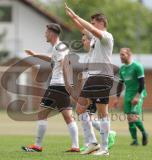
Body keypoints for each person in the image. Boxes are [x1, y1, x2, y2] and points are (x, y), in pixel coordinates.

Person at [21, 23, 80, 152]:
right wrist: (35, 55)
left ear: (52, 33)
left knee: (41, 114)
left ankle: (37, 146)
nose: (44, 34)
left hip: (56, 86)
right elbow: (51, 60)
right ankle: (75, 146)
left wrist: (67, 83)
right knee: (68, 117)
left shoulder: (59, 47)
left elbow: (64, 64)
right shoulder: (58, 47)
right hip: (62, 86)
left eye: (46, 32)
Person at [65, 3, 114, 156]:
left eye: (94, 22)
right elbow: (83, 29)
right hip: (93, 78)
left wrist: (77, 16)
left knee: (102, 113)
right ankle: (92, 143)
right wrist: (73, 17)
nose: (91, 25)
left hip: (102, 77)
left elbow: (91, 30)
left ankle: (105, 148)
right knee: (80, 109)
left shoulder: (106, 36)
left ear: (101, 23)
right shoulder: (94, 39)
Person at [79, 34, 116, 152]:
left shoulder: (96, 53)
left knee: (95, 114)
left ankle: (98, 143)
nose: (82, 43)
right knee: (85, 113)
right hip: (90, 86)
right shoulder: (88, 57)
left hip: (98, 84)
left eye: (84, 40)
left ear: (91, 41)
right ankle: (93, 141)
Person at [113, 48, 148, 146]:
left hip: (138, 93)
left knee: (133, 116)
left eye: (122, 54)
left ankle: (144, 133)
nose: (120, 56)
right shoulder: (122, 69)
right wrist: (116, 98)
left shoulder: (137, 66)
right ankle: (135, 140)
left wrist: (137, 96)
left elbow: (142, 83)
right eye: (120, 54)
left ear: (129, 55)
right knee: (129, 118)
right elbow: (120, 84)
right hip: (128, 94)